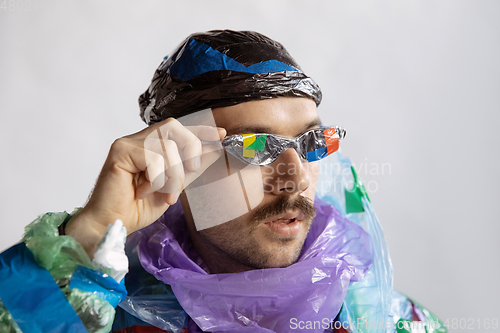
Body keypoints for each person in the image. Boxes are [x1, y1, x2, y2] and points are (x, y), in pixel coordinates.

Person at [0, 30, 447, 333]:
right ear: (175, 157)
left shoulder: (390, 320)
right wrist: (92, 234)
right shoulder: (108, 316)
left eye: (311, 141)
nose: (293, 179)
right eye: (255, 147)